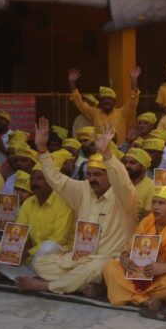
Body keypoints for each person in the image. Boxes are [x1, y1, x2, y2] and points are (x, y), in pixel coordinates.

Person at [22, 120, 137, 295]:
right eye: (89, 174)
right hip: (81, 257)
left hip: (108, 259)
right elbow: (57, 181)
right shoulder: (84, 190)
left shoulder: (124, 195)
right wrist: (42, 150)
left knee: (95, 269)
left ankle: (47, 286)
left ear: (109, 176)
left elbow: (122, 180)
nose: (92, 179)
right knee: (41, 264)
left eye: (98, 174)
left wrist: (107, 154)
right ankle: (86, 285)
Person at [102, 185, 166, 310]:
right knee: (111, 266)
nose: (155, 207)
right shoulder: (147, 222)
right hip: (141, 274)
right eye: (154, 202)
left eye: (161, 203)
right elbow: (127, 251)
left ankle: (131, 295)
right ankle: (146, 300)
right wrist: (125, 259)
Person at [0, 168, 74, 283]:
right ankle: (29, 277)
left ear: (50, 180)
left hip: (55, 256)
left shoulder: (63, 203)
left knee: (48, 246)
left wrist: (27, 252)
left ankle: (16, 274)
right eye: (32, 179)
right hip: (30, 258)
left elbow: (59, 239)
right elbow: (17, 233)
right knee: (5, 256)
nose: (34, 183)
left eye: (39, 179)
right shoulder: (29, 203)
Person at [68, 66, 142, 134]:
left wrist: (134, 80)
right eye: (104, 98)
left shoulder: (122, 113)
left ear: (114, 101)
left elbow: (133, 100)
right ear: (101, 101)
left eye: (110, 98)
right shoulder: (95, 113)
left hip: (118, 148)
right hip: (99, 148)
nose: (107, 101)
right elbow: (79, 102)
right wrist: (72, 83)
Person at [122, 147, 154, 219]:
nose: (127, 166)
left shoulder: (151, 186)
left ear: (143, 167)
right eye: (125, 162)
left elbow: (147, 216)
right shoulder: (120, 183)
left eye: (132, 163)